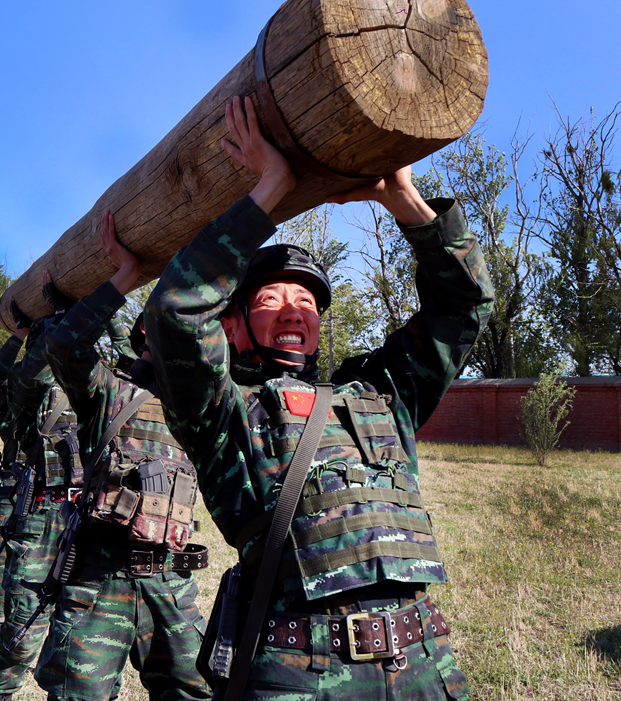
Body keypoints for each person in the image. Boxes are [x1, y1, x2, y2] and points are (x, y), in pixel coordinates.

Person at [144, 95, 495, 700]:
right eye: (270, 299)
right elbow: (174, 314)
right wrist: (270, 191)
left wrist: (403, 201)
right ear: (231, 325)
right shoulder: (223, 412)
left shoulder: (383, 392)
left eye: (306, 302)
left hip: (425, 667)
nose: (293, 312)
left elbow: (466, 305)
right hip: (298, 677)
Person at [33, 210, 211, 701]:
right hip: (98, 583)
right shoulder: (110, 393)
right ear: (144, 338)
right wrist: (121, 279)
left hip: (171, 584)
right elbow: (66, 346)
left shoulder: (207, 403)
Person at [0, 283, 88, 701]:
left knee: (54, 598)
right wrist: (22, 336)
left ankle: (9, 669)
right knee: (9, 592)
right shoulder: (24, 395)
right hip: (26, 503)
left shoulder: (83, 387)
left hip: (71, 506)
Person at [0, 301, 33, 692]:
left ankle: (19, 660)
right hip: (14, 498)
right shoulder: (16, 396)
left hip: (61, 506)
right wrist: (20, 335)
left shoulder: (84, 391)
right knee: (1, 587)